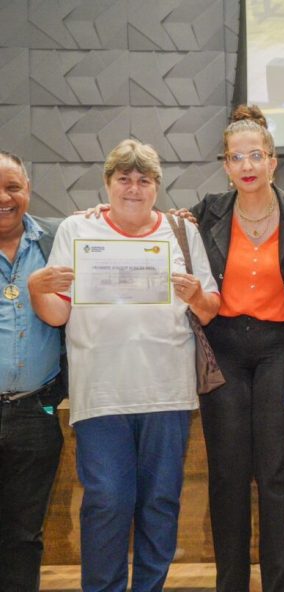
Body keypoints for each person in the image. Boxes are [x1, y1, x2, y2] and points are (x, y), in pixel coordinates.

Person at [28, 139, 221, 591]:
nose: (134, 188)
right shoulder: (78, 230)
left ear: (157, 186)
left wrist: (195, 294)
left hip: (167, 392)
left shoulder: (180, 232)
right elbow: (57, 313)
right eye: (124, 179)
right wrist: (38, 289)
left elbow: (209, 309)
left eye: (144, 180)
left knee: (160, 502)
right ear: (107, 183)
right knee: (107, 501)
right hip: (101, 394)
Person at [189, 105, 284, 592]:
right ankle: (231, 584)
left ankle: (283, 584)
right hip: (223, 347)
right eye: (236, 157)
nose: (246, 166)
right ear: (225, 165)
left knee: (277, 471)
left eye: (255, 156)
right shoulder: (205, 213)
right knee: (227, 473)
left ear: (272, 161)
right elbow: (157, 231)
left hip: (282, 347)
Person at [0, 151, 64, 592]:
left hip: (35, 413)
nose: (4, 198)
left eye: (12, 187)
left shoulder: (57, 240)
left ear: (28, 190)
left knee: (25, 535)